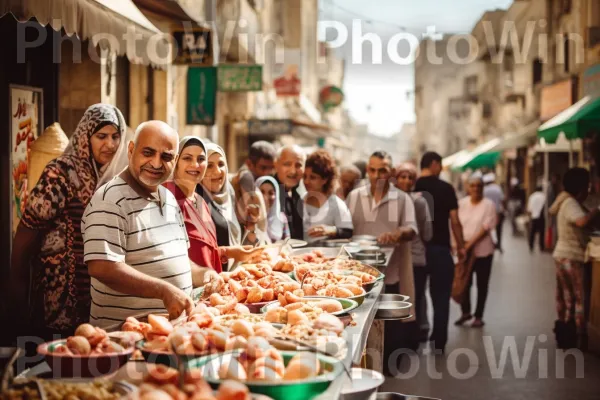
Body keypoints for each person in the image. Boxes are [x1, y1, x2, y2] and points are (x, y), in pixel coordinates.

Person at [9, 104, 128, 338]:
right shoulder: (61, 172)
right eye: (101, 136)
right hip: (58, 291)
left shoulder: (114, 176)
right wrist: (16, 289)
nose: (110, 144)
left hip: (98, 295)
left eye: (116, 137)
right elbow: (28, 229)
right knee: (56, 357)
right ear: (86, 137)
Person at [82, 121, 196, 327]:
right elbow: (102, 267)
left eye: (166, 156)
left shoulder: (169, 198)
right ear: (131, 150)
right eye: (148, 152)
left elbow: (177, 261)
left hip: (168, 336)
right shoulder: (110, 200)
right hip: (123, 340)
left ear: (175, 160)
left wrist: (210, 276)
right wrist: (163, 291)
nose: (156, 163)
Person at [346, 151, 417, 375]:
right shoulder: (355, 197)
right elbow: (346, 231)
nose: (377, 175)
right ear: (367, 171)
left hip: (391, 274)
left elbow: (411, 229)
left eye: (383, 170)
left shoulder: (403, 199)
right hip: (358, 278)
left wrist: (398, 232)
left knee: (389, 331)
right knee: (360, 328)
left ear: (392, 172)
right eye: (373, 170)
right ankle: (364, 371)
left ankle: (384, 373)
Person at [164, 136, 264, 277]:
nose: (195, 164)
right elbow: (168, 255)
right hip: (184, 290)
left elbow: (203, 250)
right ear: (176, 161)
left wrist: (228, 253)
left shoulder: (199, 201)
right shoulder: (167, 197)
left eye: (200, 159)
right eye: (187, 158)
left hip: (211, 287)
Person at [415, 151, 466, 354]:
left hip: (417, 251)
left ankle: (414, 337)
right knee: (441, 297)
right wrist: (461, 246)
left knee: (416, 296)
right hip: (440, 249)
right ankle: (439, 342)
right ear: (434, 164)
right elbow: (454, 221)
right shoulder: (446, 188)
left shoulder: (413, 186)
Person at [549, 168, 598, 349]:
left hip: (563, 255)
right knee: (578, 297)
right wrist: (596, 210)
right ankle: (579, 335)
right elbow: (581, 222)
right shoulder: (570, 203)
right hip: (571, 255)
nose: (589, 190)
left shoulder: (569, 202)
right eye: (588, 186)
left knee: (567, 297)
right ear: (581, 187)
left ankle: (567, 332)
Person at [395, 163, 433, 342]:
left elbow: (426, 231)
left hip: (408, 258)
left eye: (410, 177)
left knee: (408, 298)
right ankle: (413, 336)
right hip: (412, 256)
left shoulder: (408, 200)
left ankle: (409, 336)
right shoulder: (419, 200)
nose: (406, 181)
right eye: (402, 176)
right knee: (415, 297)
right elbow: (427, 233)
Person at [454, 175, 497, 328]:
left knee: (482, 284)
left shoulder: (488, 205)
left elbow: (486, 228)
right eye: (473, 186)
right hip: (464, 251)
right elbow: (455, 224)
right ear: (468, 188)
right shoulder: (461, 204)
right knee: (464, 282)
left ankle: (479, 315)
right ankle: (465, 312)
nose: (476, 189)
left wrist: (468, 245)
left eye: (479, 186)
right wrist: (458, 245)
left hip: (483, 251)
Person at [198, 143, 242, 252]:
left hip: (237, 268)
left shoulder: (230, 194)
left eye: (221, 164)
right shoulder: (194, 201)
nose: (217, 171)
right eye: (209, 165)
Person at [303, 150, 353, 242]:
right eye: (305, 176)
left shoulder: (336, 204)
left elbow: (348, 232)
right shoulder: (300, 200)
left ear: (325, 179)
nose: (306, 181)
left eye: (313, 177)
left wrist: (331, 230)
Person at [231, 141, 276, 225]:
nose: (268, 172)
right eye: (263, 167)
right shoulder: (246, 176)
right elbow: (252, 214)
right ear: (249, 163)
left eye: (271, 168)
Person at [274, 145, 306, 240]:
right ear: (276, 165)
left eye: (298, 165)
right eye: (287, 164)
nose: (293, 171)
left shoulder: (297, 195)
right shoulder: (269, 193)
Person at [256, 176, 290, 242]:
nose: (266, 197)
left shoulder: (282, 217)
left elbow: (287, 241)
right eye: (262, 192)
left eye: (271, 193)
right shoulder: (252, 216)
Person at [483, 172, 505, 252]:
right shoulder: (497, 188)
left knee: (488, 229)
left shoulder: (484, 190)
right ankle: (498, 244)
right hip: (498, 211)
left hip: (487, 213)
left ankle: (491, 244)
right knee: (499, 229)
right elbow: (502, 199)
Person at [527, 186, 546, 252]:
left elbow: (529, 209)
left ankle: (531, 246)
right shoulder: (544, 196)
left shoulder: (532, 196)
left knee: (532, 232)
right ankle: (541, 247)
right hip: (541, 217)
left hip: (534, 216)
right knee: (541, 233)